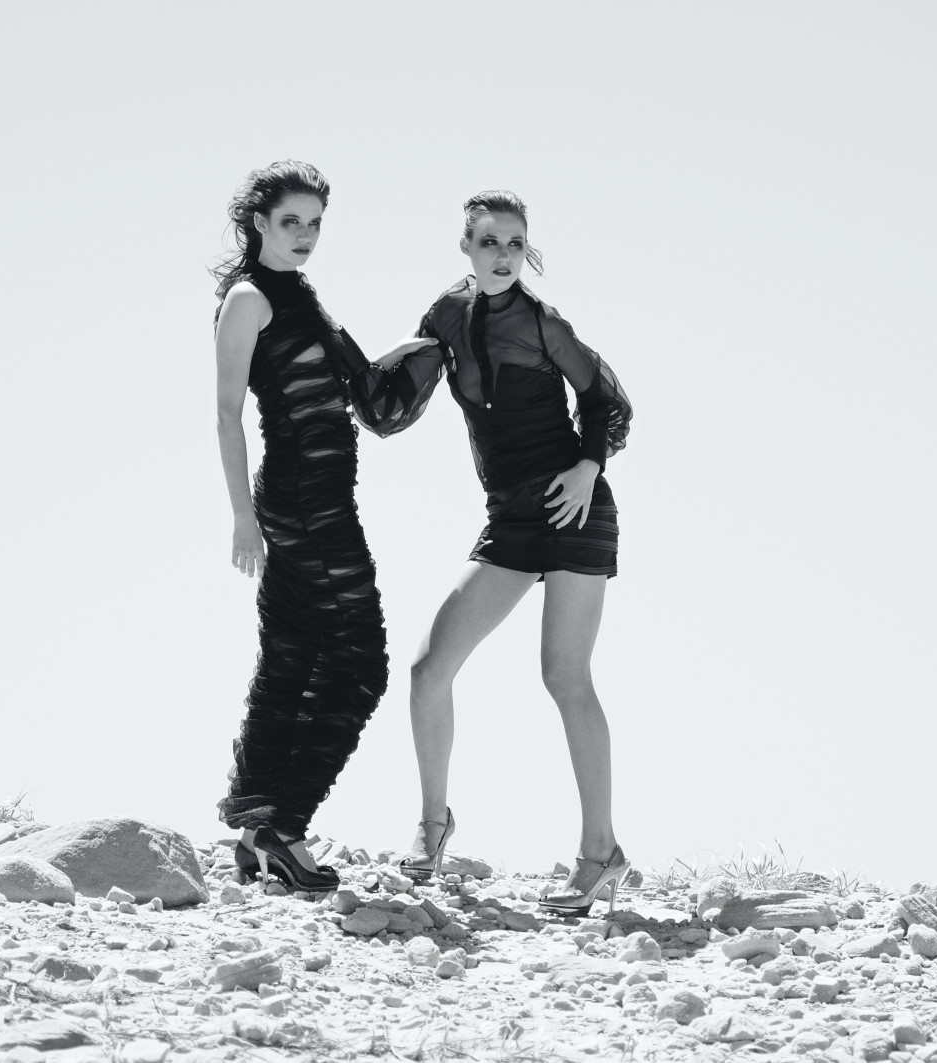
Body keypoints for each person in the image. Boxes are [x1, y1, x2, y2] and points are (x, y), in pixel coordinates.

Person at [341, 191, 635, 914]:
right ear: (467, 248)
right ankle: (433, 825)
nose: (502, 253)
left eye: (514, 242)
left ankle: (601, 853)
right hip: (509, 518)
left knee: (564, 676)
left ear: (524, 249)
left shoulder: (543, 322)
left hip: (573, 508)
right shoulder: (447, 314)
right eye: (489, 241)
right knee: (428, 667)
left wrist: (589, 465)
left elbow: (605, 401)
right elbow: (395, 396)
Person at [212, 161, 433, 892]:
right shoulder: (247, 298)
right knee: (360, 664)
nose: (305, 236)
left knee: (293, 657)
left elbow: (354, 383)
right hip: (305, 502)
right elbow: (225, 411)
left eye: (313, 224)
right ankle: (284, 825)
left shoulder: (298, 292)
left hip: (325, 495)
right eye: (290, 222)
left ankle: (259, 831)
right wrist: (242, 515)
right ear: (257, 224)